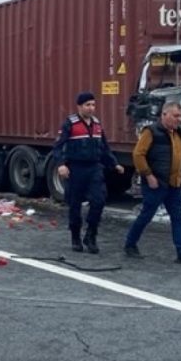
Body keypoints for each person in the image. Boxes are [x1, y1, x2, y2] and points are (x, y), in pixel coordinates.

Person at [123, 101, 181, 266]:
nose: (178, 119)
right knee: (147, 215)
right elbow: (138, 155)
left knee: (178, 217)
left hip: (175, 184)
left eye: (180, 116)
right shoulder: (151, 132)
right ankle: (130, 244)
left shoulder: (178, 133)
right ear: (164, 115)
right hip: (157, 183)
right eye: (175, 116)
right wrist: (148, 176)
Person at [53, 91, 125, 254]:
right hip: (76, 169)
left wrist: (114, 164)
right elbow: (58, 147)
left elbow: (104, 148)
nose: (91, 108)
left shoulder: (97, 125)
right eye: (87, 105)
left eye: (93, 104)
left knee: (99, 201)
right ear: (79, 106)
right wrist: (61, 165)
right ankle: (76, 237)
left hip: (94, 168)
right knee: (75, 205)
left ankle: (91, 235)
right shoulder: (69, 124)